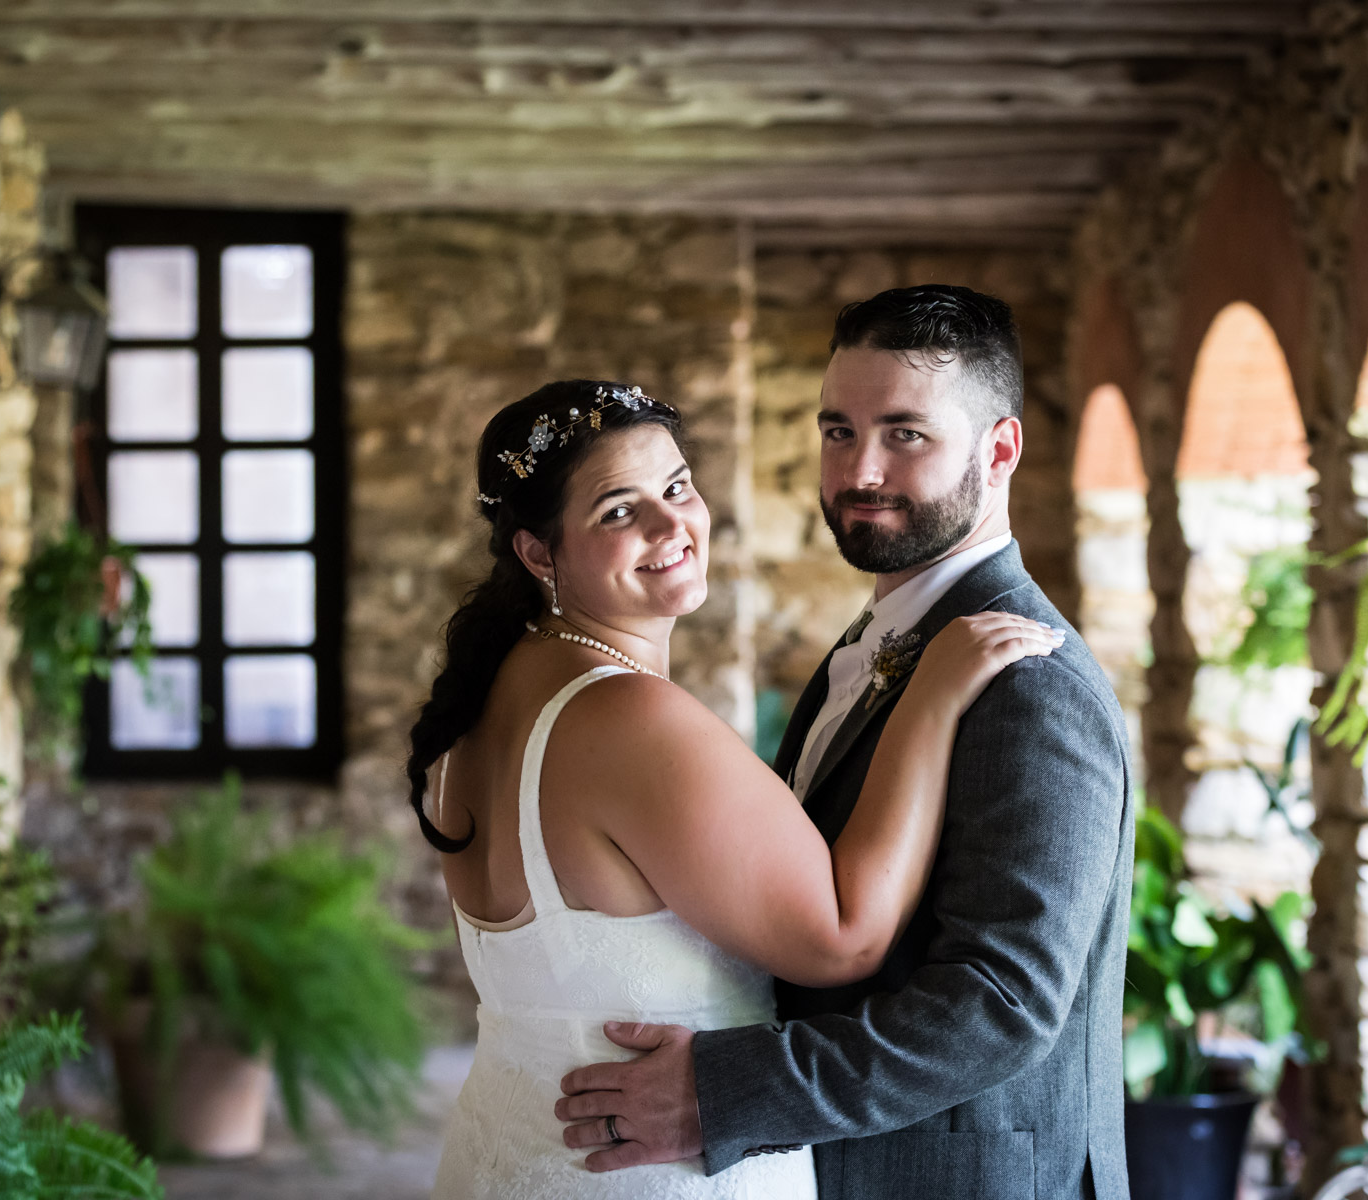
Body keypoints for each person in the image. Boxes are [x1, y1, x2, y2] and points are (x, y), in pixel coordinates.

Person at [409, 376, 1063, 1199]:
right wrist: (930, 695)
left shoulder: (481, 708)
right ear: (539, 552)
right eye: (618, 510)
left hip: (506, 1157)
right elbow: (844, 935)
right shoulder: (626, 716)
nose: (670, 524)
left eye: (677, 486)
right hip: (650, 1172)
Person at [553, 286, 1137, 1200]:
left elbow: (1002, 1005)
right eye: (838, 431)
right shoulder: (863, 650)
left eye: (906, 434)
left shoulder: (1029, 684)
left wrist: (722, 1092)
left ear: (1001, 449)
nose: (860, 470)